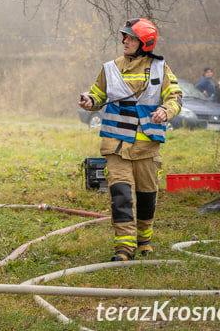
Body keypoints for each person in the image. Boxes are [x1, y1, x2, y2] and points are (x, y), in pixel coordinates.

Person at [78, 18, 182, 262]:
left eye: (131, 38)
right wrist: (89, 101)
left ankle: (143, 239)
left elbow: (175, 97)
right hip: (116, 145)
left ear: (144, 43)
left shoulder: (161, 68)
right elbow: (97, 95)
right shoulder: (109, 68)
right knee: (121, 194)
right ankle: (123, 248)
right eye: (125, 37)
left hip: (147, 147)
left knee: (147, 196)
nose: (125, 41)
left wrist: (166, 111)